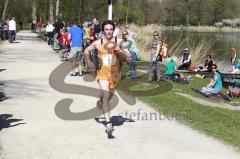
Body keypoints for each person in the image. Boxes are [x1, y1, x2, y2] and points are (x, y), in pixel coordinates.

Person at [84, 20, 131, 135]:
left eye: (111, 29)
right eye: (106, 29)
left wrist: (120, 51)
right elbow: (86, 50)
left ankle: (101, 100)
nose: (109, 32)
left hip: (115, 74)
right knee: (106, 95)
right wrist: (88, 60)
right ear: (103, 30)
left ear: (113, 30)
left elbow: (129, 57)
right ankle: (109, 124)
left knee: (108, 98)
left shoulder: (119, 42)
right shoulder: (97, 43)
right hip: (103, 73)